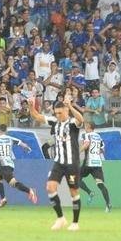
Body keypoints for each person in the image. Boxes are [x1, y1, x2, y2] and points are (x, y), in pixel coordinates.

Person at [27, 94, 84, 231]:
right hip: (59, 162)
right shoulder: (54, 122)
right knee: (50, 187)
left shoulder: (72, 123)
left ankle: (75, 223)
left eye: (60, 112)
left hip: (72, 163)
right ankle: (61, 218)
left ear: (66, 111)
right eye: (56, 113)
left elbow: (81, 119)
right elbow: (37, 117)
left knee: (73, 192)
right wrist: (30, 106)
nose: (58, 115)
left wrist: (70, 105)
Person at [0, 124, 37, 207]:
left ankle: (29, 190)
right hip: (10, 165)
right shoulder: (10, 139)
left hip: (4, 166)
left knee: (13, 183)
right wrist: (28, 149)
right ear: (6, 131)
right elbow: (23, 144)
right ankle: (3, 199)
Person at [78, 119, 112, 212]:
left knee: (76, 178)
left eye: (85, 126)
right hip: (97, 163)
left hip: (88, 162)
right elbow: (102, 150)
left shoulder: (86, 135)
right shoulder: (99, 137)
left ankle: (90, 192)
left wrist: (77, 153)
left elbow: (86, 144)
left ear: (89, 126)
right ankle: (108, 204)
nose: (84, 127)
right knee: (100, 184)